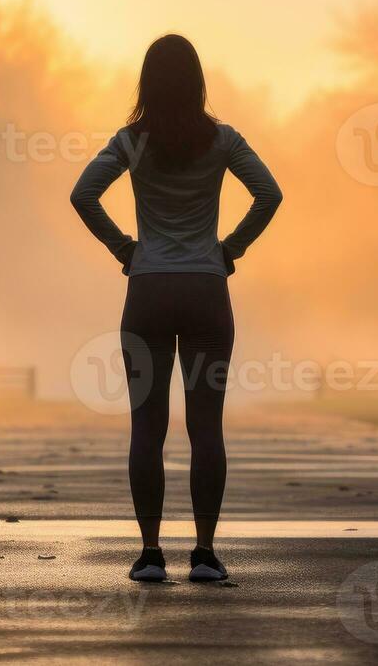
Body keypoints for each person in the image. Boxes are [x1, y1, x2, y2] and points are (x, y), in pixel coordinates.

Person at [70, 34, 282, 583]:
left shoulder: (131, 142)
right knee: (206, 427)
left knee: (148, 426)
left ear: (147, 82)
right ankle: (206, 553)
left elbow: (82, 195)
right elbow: (269, 194)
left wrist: (124, 248)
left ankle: (149, 554)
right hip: (207, 293)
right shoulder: (223, 140)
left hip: (148, 293)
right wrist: (230, 249)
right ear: (198, 82)